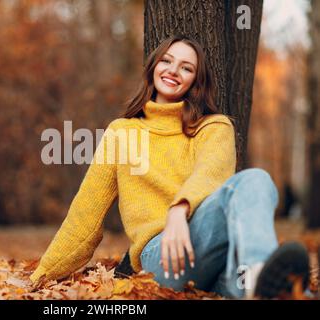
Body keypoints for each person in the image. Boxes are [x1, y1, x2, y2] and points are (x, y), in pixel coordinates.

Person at [29, 35, 310, 299]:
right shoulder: (121, 133)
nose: (173, 70)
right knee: (254, 183)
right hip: (160, 255)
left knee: (255, 182)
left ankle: (259, 280)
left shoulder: (214, 127)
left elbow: (212, 174)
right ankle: (259, 273)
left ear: (195, 81)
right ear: (153, 66)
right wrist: (38, 278)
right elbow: (84, 216)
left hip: (210, 252)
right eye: (166, 61)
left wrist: (179, 209)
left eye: (186, 68)